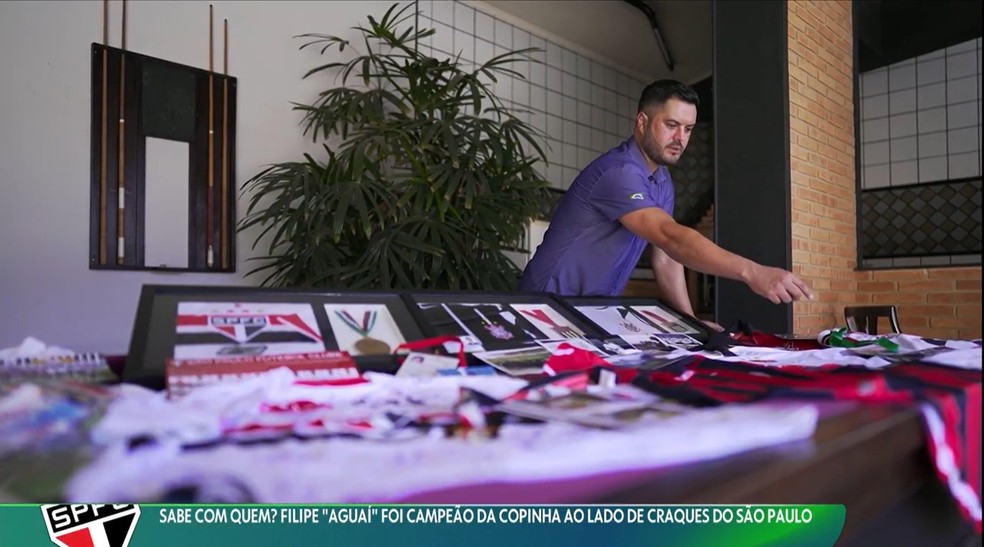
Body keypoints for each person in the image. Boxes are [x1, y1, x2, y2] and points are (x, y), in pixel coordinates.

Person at [518, 79, 813, 323]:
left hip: (591, 312)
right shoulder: (618, 172)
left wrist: (690, 320)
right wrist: (753, 272)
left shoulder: (662, 181)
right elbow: (670, 237)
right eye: (671, 125)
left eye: (688, 129)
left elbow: (665, 255)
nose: (680, 138)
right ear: (642, 122)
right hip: (544, 310)